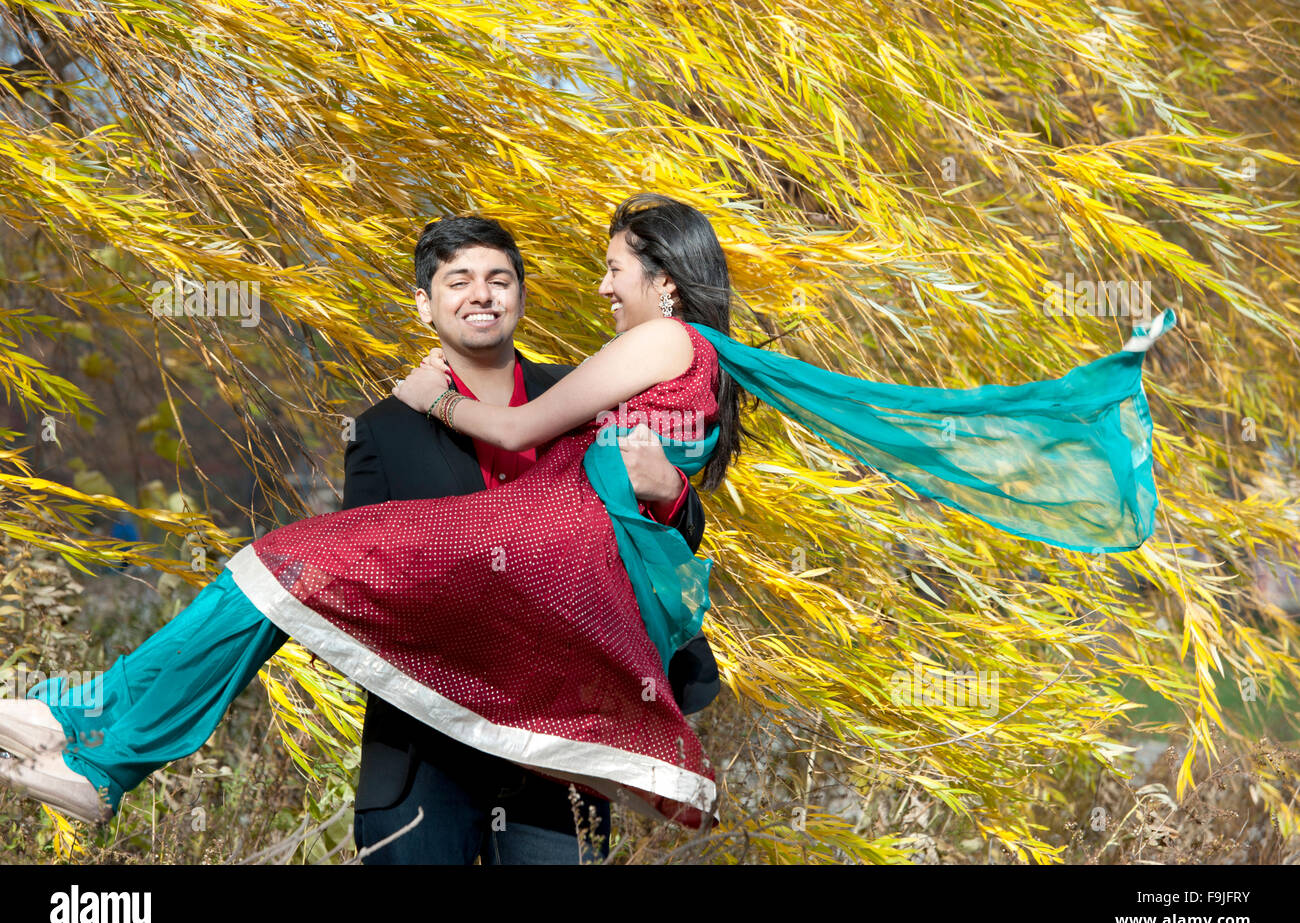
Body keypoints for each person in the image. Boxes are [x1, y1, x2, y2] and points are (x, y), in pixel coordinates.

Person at [0, 191, 1176, 837]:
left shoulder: (659, 338)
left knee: (278, 561)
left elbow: (515, 435)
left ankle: (99, 749)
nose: (602, 285)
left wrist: (431, 390)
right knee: (276, 572)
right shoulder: (695, 353)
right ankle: (82, 723)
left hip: (554, 559)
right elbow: (894, 414)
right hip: (572, 569)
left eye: (613, 266)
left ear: (661, 277)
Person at [345, 216, 719, 864]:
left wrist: (674, 493)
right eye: (457, 281)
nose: (481, 294)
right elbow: (364, 583)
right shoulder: (383, 430)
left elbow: (660, 537)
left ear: (521, 294)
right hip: (427, 761)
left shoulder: (585, 394)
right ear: (424, 305)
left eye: (499, 278)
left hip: (561, 760)